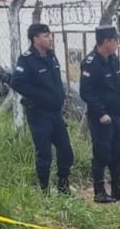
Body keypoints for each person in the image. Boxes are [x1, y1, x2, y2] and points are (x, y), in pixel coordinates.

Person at [10, 23, 74, 194]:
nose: (50, 38)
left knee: (66, 150)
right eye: (46, 36)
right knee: (44, 153)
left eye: (49, 35)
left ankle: (63, 185)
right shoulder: (27, 59)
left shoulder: (51, 56)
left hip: (55, 113)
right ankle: (44, 190)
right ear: (35, 39)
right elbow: (17, 82)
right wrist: (39, 95)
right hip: (39, 114)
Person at [79, 25, 120, 203]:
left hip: (115, 114)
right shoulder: (91, 63)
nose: (117, 44)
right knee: (102, 153)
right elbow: (86, 92)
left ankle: (117, 188)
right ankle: (99, 191)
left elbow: (117, 81)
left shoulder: (113, 59)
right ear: (106, 42)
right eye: (115, 40)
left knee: (118, 151)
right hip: (101, 117)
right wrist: (100, 113)